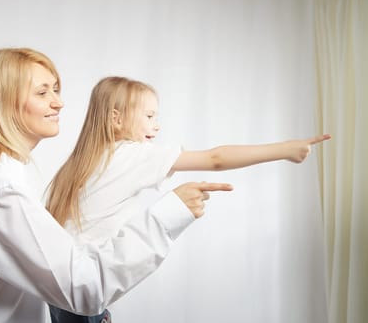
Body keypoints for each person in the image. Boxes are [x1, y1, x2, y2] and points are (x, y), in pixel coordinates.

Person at [0, 48, 233, 323]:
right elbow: (81, 286)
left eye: (56, 89)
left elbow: (34, 276)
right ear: (3, 101)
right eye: (43, 93)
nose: (59, 102)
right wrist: (170, 214)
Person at [46, 76, 331, 323]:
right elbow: (215, 158)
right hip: (85, 295)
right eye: (149, 116)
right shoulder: (131, 154)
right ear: (116, 118)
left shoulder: (76, 167)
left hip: (59, 293)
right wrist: (285, 149)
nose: (156, 127)